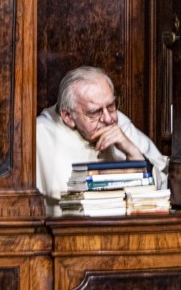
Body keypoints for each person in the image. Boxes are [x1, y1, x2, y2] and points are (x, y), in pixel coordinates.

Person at [36, 65, 169, 216]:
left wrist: (133, 152)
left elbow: (160, 193)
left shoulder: (119, 124)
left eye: (111, 106)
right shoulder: (41, 134)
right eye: (94, 112)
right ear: (68, 116)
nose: (108, 119)